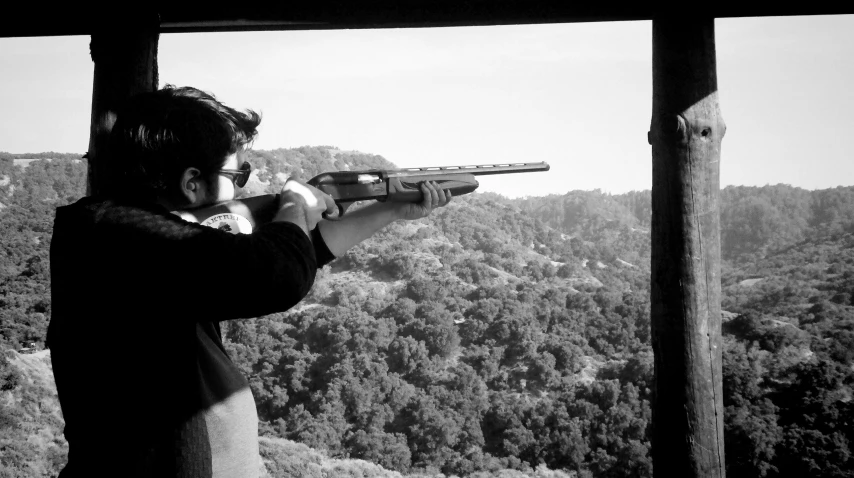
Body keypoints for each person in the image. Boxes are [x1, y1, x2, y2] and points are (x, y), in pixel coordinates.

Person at [46, 85, 451, 478]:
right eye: (238, 174)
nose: (247, 185)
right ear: (191, 182)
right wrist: (293, 205)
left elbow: (303, 253)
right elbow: (277, 276)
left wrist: (392, 209)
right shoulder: (122, 233)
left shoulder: (135, 238)